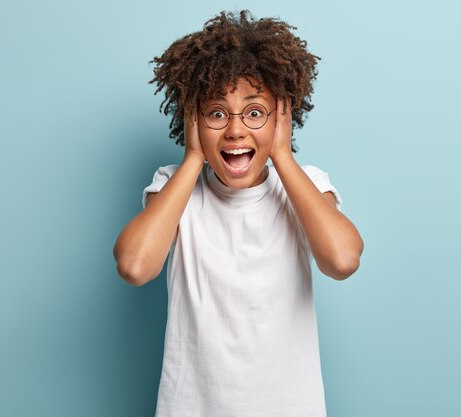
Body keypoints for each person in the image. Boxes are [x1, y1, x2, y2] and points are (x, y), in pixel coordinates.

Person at [113, 10, 364, 417]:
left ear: (283, 115)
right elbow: (135, 266)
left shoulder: (306, 185)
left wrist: (282, 154)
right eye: (215, 113)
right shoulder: (174, 187)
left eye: (254, 112)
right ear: (191, 118)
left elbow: (342, 260)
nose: (235, 130)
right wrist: (194, 156)